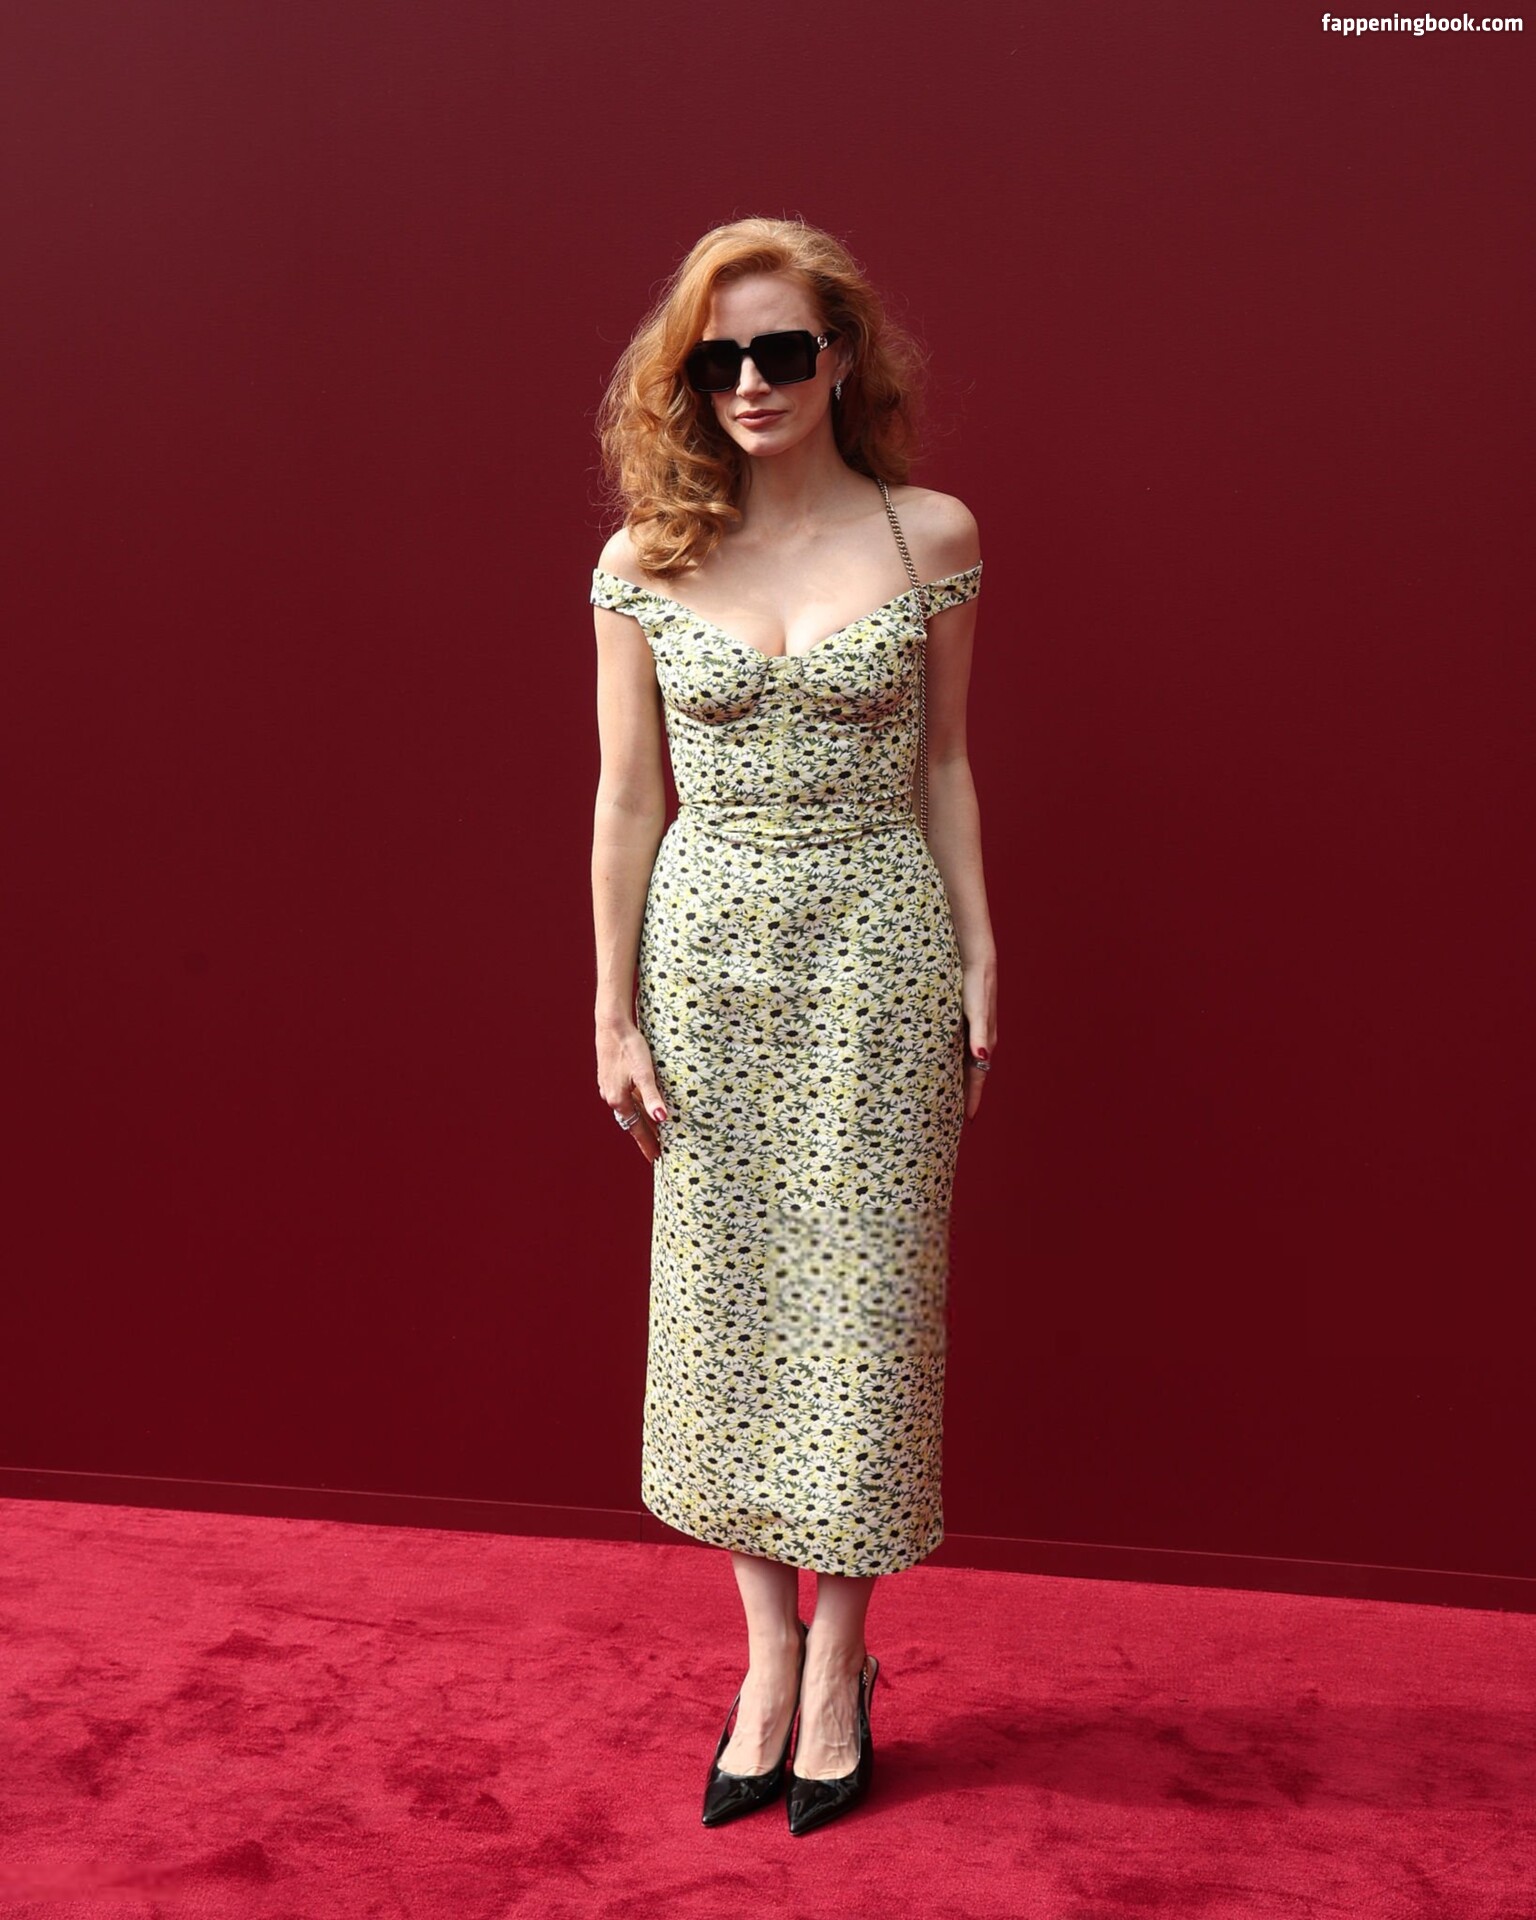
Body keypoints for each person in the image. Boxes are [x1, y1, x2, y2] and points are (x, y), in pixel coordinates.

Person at [589, 216, 997, 1835]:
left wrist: (981, 953)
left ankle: (843, 1661)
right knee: (728, 1304)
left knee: (868, 1304)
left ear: (840, 358)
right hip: (706, 965)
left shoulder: (929, 534)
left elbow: (946, 764)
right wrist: (609, 1006)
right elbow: (628, 796)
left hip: (877, 951)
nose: (749, 382)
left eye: (779, 350)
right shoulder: (647, 557)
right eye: (717, 359)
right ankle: (766, 1656)